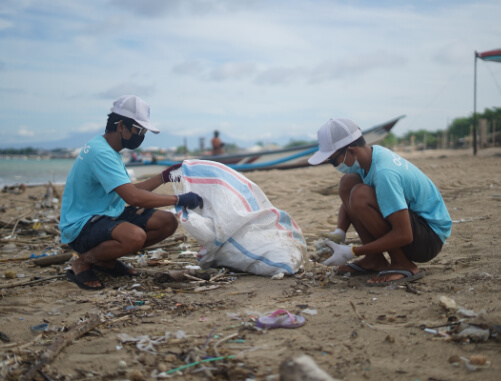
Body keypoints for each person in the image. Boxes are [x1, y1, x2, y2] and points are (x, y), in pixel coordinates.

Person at [59, 95, 203, 290]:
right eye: (138, 129)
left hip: (107, 215)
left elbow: (129, 190)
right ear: (120, 126)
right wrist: (178, 199)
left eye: (144, 131)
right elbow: (133, 198)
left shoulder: (109, 149)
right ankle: (83, 261)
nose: (141, 135)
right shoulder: (100, 152)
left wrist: (164, 177)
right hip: (82, 225)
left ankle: (104, 259)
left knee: (167, 222)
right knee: (134, 236)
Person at [308, 118, 452, 286]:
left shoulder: (385, 173)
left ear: (351, 151)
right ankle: (374, 259)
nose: (334, 165)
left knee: (359, 195)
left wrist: (353, 251)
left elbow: (404, 234)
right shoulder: (369, 157)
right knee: (348, 183)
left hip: (429, 238)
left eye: (333, 161)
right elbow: (348, 203)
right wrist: (340, 231)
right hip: (416, 228)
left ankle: (403, 264)